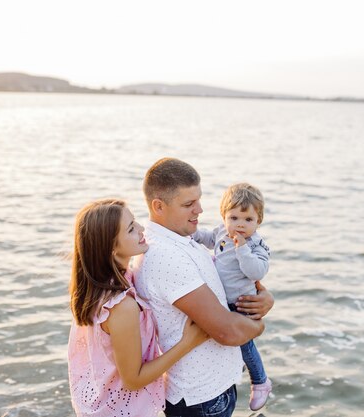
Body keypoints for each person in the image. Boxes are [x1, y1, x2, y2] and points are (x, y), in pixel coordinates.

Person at [134, 158, 275, 417]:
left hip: (212, 388)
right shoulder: (166, 255)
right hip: (201, 398)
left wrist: (263, 298)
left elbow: (225, 278)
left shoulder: (181, 238)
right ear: (159, 206)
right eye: (188, 204)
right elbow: (227, 332)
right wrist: (259, 326)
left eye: (198, 200)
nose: (199, 209)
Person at [67, 199, 209, 417]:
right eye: (131, 228)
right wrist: (188, 343)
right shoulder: (122, 307)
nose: (142, 229)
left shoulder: (99, 286)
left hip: (99, 404)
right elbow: (133, 379)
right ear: (112, 248)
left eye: (135, 222)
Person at [192, 183, 272, 411]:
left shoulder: (257, 246)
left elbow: (256, 272)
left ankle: (261, 381)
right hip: (221, 301)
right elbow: (207, 238)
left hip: (241, 305)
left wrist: (243, 248)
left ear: (258, 221)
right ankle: (241, 366)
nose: (240, 224)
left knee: (245, 345)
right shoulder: (221, 232)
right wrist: (192, 234)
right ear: (224, 217)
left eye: (248, 220)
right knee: (230, 343)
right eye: (234, 217)